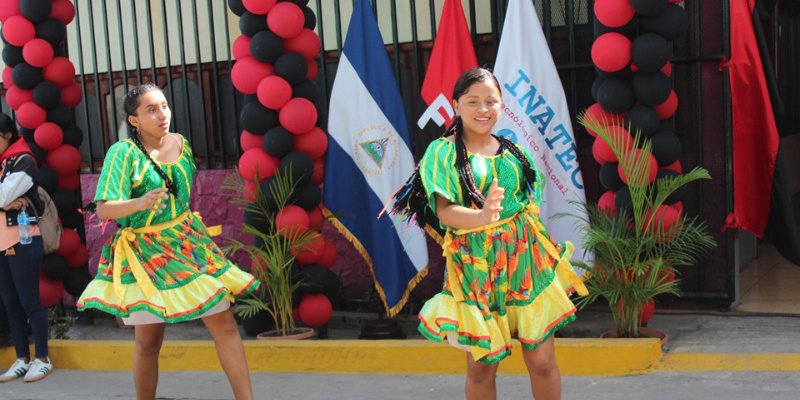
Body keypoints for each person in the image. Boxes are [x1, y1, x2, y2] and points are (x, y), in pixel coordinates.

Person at [389, 68, 587, 400]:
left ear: (501, 105)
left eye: (491, 101)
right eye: (473, 101)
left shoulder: (512, 151)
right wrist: (482, 216)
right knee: (481, 368)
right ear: (456, 105)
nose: (483, 109)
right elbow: (444, 211)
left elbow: (527, 203)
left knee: (542, 362)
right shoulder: (442, 152)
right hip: (475, 266)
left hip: (524, 261)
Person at [76, 84, 259, 400]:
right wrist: (139, 203)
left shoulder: (181, 144)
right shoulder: (123, 153)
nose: (162, 114)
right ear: (134, 120)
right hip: (146, 253)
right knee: (148, 341)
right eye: (151, 110)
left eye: (164, 106)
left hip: (189, 244)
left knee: (225, 323)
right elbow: (104, 208)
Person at [0, 113, 52, 383]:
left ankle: (42, 358)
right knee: (10, 303)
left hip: (23, 239)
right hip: (1, 243)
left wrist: (5, 202)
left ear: (6, 134)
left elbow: (3, 196)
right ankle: (22, 358)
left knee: (29, 301)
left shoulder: (23, 160)